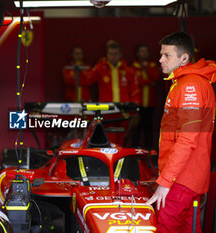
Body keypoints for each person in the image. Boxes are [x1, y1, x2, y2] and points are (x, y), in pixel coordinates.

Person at [146, 32, 216, 233]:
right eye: (161, 54)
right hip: (188, 177)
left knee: (167, 228)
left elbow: (187, 140)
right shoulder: (187, 82)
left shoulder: (190, 86)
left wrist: (166, 182)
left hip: (181, 179)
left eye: (167, 55)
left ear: (184, 58)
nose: (160, 59)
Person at [89, 40, 139, 146]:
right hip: (107, 110)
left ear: (120, 55)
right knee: (108, 136)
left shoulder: (128, 70)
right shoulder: (100, 68)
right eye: (110, 54)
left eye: (115, 54)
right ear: (107, 55)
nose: (113, 57)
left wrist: (135, 104)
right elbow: (87, 80)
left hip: (123, 109)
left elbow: (135, 90)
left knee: (123, 136)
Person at [130, 44, 160, 148]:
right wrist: (149, 82)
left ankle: (149, 149)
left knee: (148, 127)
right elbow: (136, 81)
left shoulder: (152, 65)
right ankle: (135, 148)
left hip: (150, 103)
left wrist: (145, 67)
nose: (144, 53)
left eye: (145, 51)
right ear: (137, 53)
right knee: (136, 127)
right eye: (142, 51)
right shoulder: (133, 65)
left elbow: (155, 77)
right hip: (138, 102)